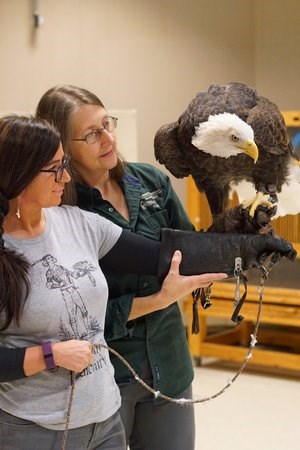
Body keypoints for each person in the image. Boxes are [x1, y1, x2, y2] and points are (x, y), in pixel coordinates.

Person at [35, 85, 295, 450]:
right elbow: (69, 318)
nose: (108, 138)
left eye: (107, 123)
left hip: (169, 364)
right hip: (106, 371)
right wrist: (158, 299)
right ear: (63, 145)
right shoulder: (60, 213)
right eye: (92, 134)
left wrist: (246, 234)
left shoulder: (149, 181)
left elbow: (192, 251)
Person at [0, 115, 231, 450]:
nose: (65, 176)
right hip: (33, 431)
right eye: (53, 169)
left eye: (63, 163)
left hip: (105, 420)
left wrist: (242, 248)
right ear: (18, 175)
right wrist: (48, 355)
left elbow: (164, 256)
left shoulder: (79, 223)